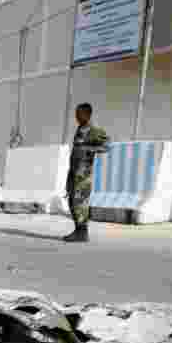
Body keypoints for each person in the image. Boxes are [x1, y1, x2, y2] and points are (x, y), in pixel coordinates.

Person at [64, 102, 110, 243]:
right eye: (76, 114)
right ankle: (78, 230)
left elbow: (106, 146)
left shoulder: (94, 130)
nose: (76, 117)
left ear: (87, 114)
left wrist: (90, 149)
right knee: (72, 201)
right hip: (73, 172)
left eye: (79, 114)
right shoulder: (80, 129)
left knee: (80, 203)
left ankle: (83, 233)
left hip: (83, 175)